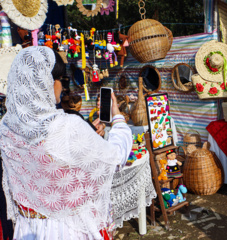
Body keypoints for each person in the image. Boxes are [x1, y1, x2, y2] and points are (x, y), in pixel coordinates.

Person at [0, 46, 132, 239]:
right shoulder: (65, 127)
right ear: (46, 82)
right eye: (59, 80)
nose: (61, 86)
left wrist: (87, 138)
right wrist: (118, 118)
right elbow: (115, 157)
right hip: (67, 229)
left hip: (28, 228)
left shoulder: (5, 128)